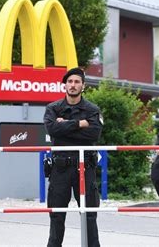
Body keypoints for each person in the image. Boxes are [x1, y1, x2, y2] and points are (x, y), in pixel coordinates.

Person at [44, 68, 103, 247]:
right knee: (56, 215)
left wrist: (65, 127)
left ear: (83, 86)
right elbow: (52, 130)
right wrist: (79, 124)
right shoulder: (53, 108)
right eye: (70, 82)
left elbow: (94, 134)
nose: (73, 85)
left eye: (77, 82)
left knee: (89, 215)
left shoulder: (92, 109)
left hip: (85, 168)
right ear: (65, 85)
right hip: (60, 169)